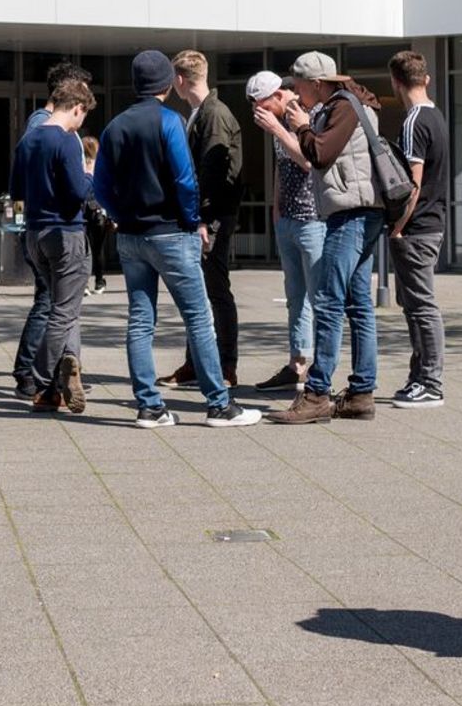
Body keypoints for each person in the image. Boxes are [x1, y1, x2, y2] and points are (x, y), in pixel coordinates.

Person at [95, 49, 257, 429]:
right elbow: (185, 180)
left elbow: (100, 186)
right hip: (170, 232)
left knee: (140, 321)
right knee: (199, 318)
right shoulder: (170, 121)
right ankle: (219, 404)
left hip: (132, 236)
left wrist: (121, 216)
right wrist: (191, 219)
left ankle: (149, 407)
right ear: (168, 84)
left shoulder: (115, 126)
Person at [264, 52, 383, 424]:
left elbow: (320, 154)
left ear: (317, 83)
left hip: (350, 213)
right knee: (358, 303)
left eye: (298, 87)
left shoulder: (342, 106)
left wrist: (300, 126)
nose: (296, 95)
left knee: (329, 302)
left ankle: (316, 394)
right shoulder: (353, 102)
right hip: (363, 211)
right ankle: (361, 393)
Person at [11, 77, 97, 414]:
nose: (81, 122)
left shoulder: (28, 141)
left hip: (35, 233)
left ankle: (69, 365)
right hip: (66, 233)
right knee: (63, 312)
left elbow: (17, 191)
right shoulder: (64, 141)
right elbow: (79, 192)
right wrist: (90, 171)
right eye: (82, 115)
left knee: (66, 304)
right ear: (76, 107)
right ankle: (42, 380)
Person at [158, 50, 242, 388]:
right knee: (202, 291)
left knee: (215, 290)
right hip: (208, 215)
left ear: (179, 80)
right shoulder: (201, 112)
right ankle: (197, 363)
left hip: (213, 217)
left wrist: (202, 218)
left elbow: (214, 171)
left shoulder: (213, 115)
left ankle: (224, 366)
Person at [247, 71, 317, 393]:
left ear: (278, 95)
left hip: (313, 219)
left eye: (262, 104)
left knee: (319, 297)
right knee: (295, 297)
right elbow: (281, 165)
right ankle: (297, 364)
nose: (258, 112)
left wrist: (278, 128)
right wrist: (276, 207)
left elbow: (307, 161)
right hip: (287, 219)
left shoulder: (305, 115)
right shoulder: (275, 124)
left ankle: (320, 369)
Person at [387, 51, 449, 408]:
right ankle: (419, 378)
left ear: (396, 82)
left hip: (417, 227)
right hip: (431, 224)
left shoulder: (414, 122)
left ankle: (430, 382)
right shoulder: (436, 117)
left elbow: (413, 182)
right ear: (425, 79)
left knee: (421, 306)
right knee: (414, 305)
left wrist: (398, 226)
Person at [80, 136, 112, 296]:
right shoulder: (100, 166)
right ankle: (99, 281)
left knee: (84, 249)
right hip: (98, 211)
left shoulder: (79, 165)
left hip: (82, 210)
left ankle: (84, 283)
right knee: (98, 249)